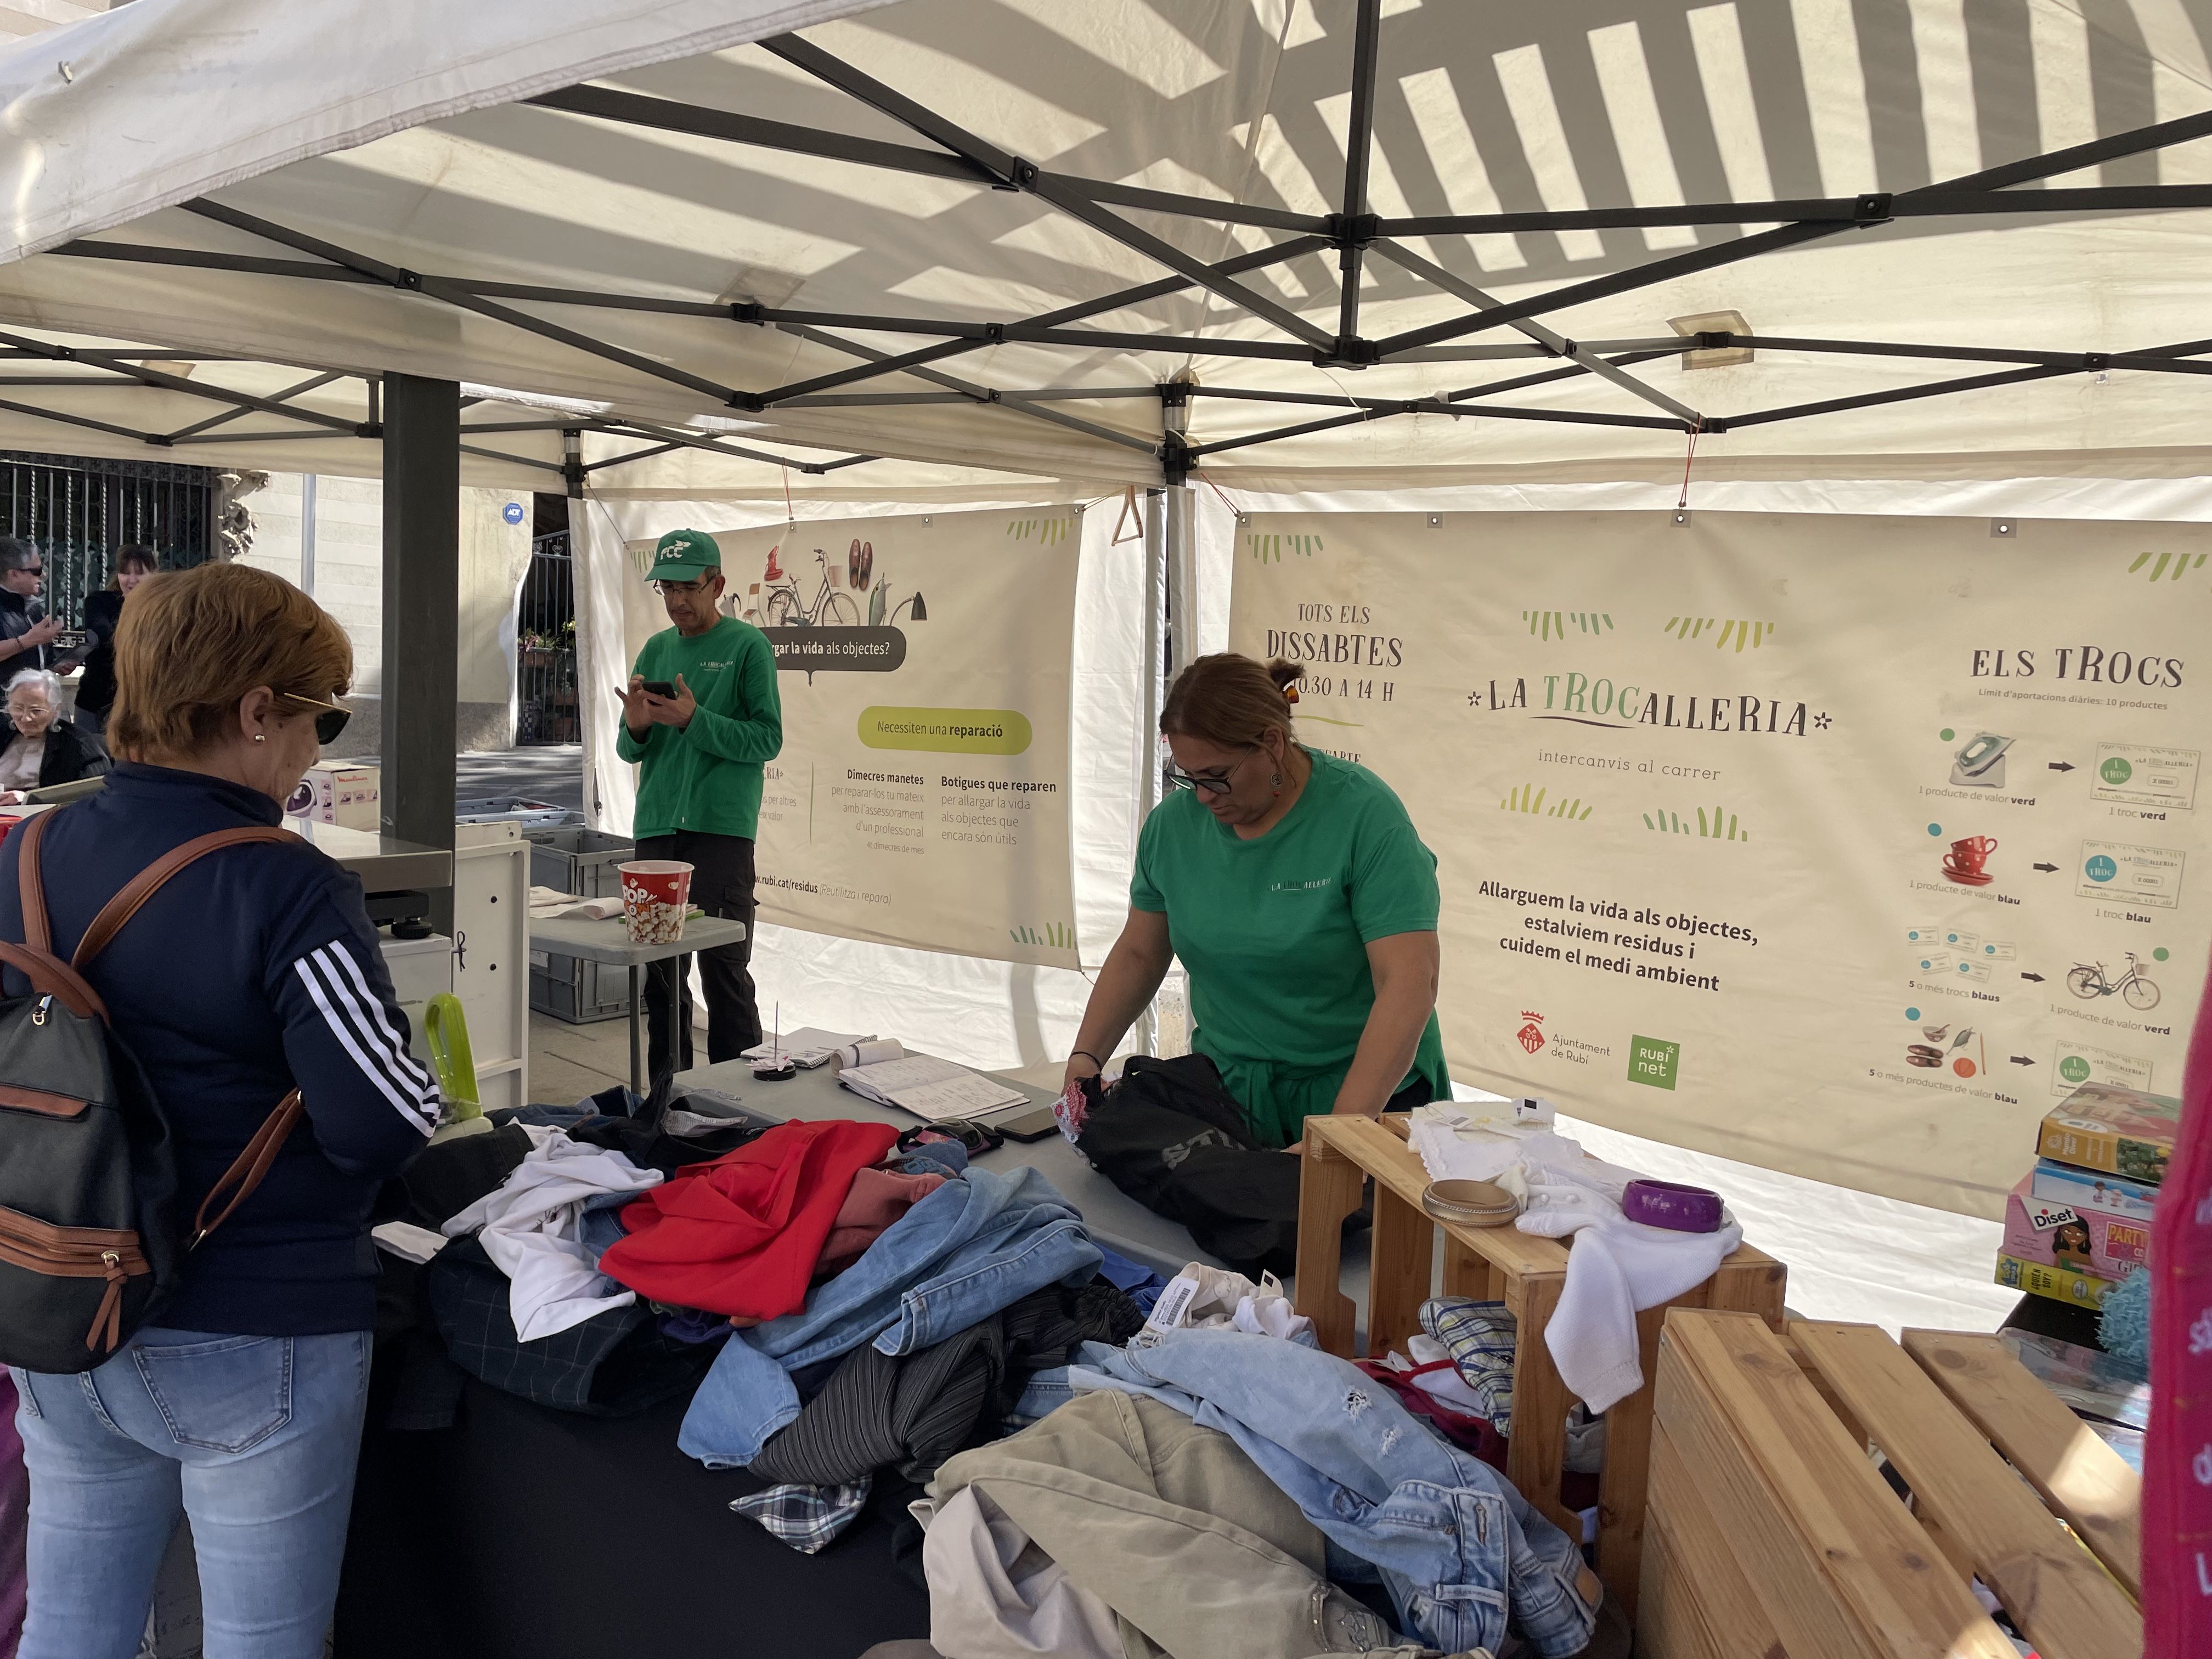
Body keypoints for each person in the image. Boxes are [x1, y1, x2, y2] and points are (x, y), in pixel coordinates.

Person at [2, 562, 440, 1659]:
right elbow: (379, 1122)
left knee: (73, 1628)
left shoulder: (27, 849)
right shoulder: (285, 882)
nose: (316, 750)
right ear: (256, 712)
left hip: (56, 1303)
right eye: (318, 716)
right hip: (254, 1319)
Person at [1064, 653, 1449, 1150]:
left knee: (1337, 1224)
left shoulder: (1365, 818)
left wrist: (1336, 1140)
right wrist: (1086, 1058)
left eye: (1216, 775)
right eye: (1187, 777)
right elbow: (1140, 953)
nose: (1204, 797)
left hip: (1364, 1097)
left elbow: (1409, 983)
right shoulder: (1172, 828)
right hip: (1232, 1096)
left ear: (1271, 742)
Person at [614, 527, 781, 1075]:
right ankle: (670, 1098)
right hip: (658, 829)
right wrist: (637, 726)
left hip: (721, 832)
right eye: (667, 587)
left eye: (689, 587)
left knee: (724, 971)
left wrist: (694, 720)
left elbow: (767, 738)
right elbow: (628, 748)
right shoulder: (657, 648)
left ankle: (741, 1103)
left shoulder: (747, 645)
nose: (677, 600)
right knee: (661, 976)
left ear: (718, 584)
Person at [57, 543, 157, 739]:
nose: (132, 580)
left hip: (141, 706)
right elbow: (103, 636)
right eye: (125, 573)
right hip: (94, 702)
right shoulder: (100, 602)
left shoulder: (163, 609)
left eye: (140, 573)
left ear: (154, 574)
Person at [0, 670, 108, 804]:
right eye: (18, 708)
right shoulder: (4, 734)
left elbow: (95, 792)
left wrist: (29, 799)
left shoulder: (78, 745)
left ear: (55, 710)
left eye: (36, 711)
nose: (25, 718)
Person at [0, 538, 60, 692]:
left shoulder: (29, 606)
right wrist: (27, 640)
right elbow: (28, 642)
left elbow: (33, 656)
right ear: (14, 574)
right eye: (37, 571)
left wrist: (57, 663)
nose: (44, 575)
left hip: (30, 702)